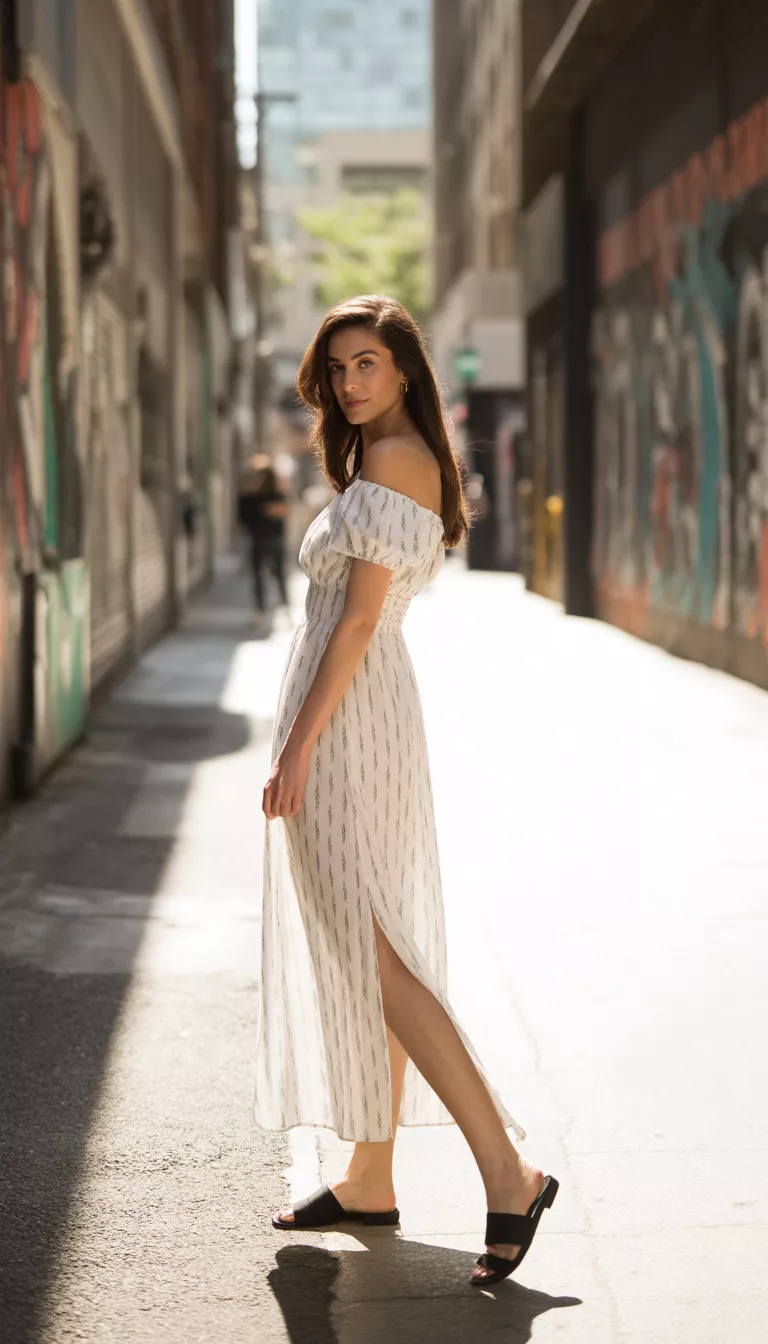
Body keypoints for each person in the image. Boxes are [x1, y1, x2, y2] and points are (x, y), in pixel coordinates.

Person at [254, 295, 558, 1286]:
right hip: (361, 714)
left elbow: (354, 624)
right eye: (339, 367)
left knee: (381, 956)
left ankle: (509, 1172)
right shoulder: (382, 456)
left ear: (406, 370)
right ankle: (371, 1174)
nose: (350, 383)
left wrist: (299, 746)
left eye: (369, 364)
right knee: (368, 944)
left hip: (352, 723)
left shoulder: (392, 461)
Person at [237, 455, 291, 627]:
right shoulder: (247, 497)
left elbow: (282, 512)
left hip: (274, 540)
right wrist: (266, 511)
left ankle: (285, 609)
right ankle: (259, 613)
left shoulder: (275, 494)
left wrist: (266, 511)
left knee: (280, 576)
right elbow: (243, 520)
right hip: (258, 541)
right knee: (258, 578)